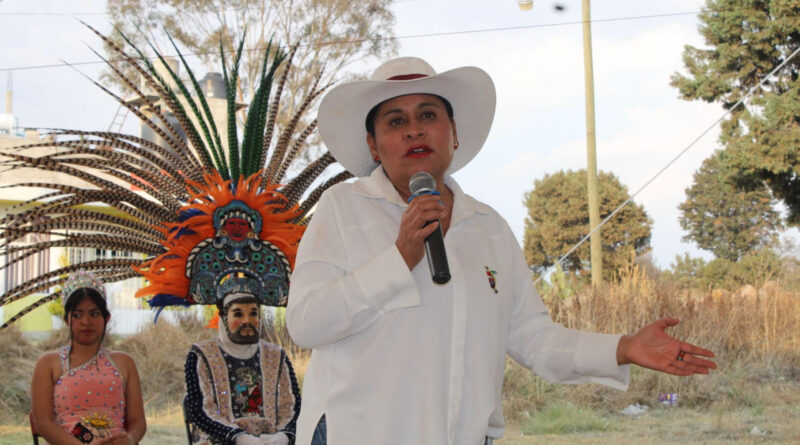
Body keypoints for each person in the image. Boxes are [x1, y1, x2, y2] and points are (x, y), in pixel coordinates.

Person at [285, 57, 717, 445]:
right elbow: (305, 324)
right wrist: (400, 256)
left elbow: (534, 338)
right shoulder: (342, 209)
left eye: (428, 115)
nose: (414, 129)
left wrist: (622, 348)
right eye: (395, 121)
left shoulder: (488, 227)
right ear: (373, 146)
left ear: (454, 134)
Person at [183, 273, 301, 445]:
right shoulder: (201, 355)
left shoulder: (276, 355)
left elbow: (291, 406)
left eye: (253, 313)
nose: (247, 321)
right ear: (224, 318)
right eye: (238, 314)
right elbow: (200, 410)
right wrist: (238, 437)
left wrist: (283, 435)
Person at [31, 270, 147, 445]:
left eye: (94, 314)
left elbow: (138, 422)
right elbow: (42, 422)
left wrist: (129, 439)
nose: (86, 322)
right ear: (66, 320)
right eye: (77, 315)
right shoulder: (49, 364)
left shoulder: (124, 363)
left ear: (106, 318)